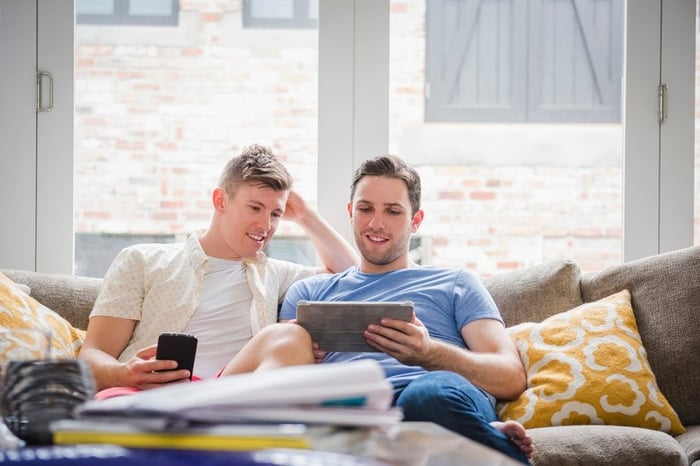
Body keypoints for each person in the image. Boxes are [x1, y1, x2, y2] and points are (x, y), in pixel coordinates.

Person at [279, 154, 533, 464]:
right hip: (353, 409)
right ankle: (480, 437)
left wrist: (430, 354)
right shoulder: (309, 293)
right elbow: (281, 384)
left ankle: (466, 434)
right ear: (351, 213)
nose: (376, 223)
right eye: (365, 209)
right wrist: (305, 357)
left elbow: (511, 377)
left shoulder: (455, 283)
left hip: (433, 395)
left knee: (425, 397)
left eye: (393, 211)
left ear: (416, 220)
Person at [79, 144, 359, 397]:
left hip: (228, 396)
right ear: (220, 201)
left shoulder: (273, 273)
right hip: (144, 393)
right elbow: (93, 354)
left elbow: (354, 276)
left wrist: (305, 215)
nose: (266, 226)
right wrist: (124, 372)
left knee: (290, 336)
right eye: (255, 208)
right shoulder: (141, 260)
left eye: (275, 214)